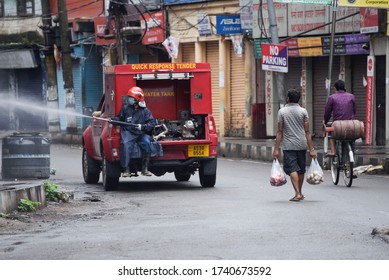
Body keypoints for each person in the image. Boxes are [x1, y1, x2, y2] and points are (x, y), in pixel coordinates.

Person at [273, 89, 316, 202]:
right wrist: (311, 149)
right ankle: (300, 192)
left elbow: (279, 132)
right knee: (301, 170)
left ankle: (297, 193)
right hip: (302, 144)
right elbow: (307, 132)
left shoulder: (282, 112)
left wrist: (276, 149)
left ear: (288, 98)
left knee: (292, 168)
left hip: (289, 145)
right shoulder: (303, 111)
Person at [111, 86, 157, 177]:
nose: (129, 100)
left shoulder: (145, 111)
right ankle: (126, 169)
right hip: (128, 132)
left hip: (141, 133)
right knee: (125, 144)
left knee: (147, 143)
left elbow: (152, 122)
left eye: (131, 98)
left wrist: (143, 127)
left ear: (137, 99)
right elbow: (120, 118)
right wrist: (113, 120)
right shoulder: (125, 108)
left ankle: (145, 169)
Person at [323, 80, 356, 156]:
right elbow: (354, 111)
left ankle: (333, 151)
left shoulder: (332, 98)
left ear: (335, 88)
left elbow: (327, 112)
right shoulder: (352, 96)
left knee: (331, 134)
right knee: (350, 138)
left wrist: (325, 121)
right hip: (350, 124)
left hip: (338, 125)